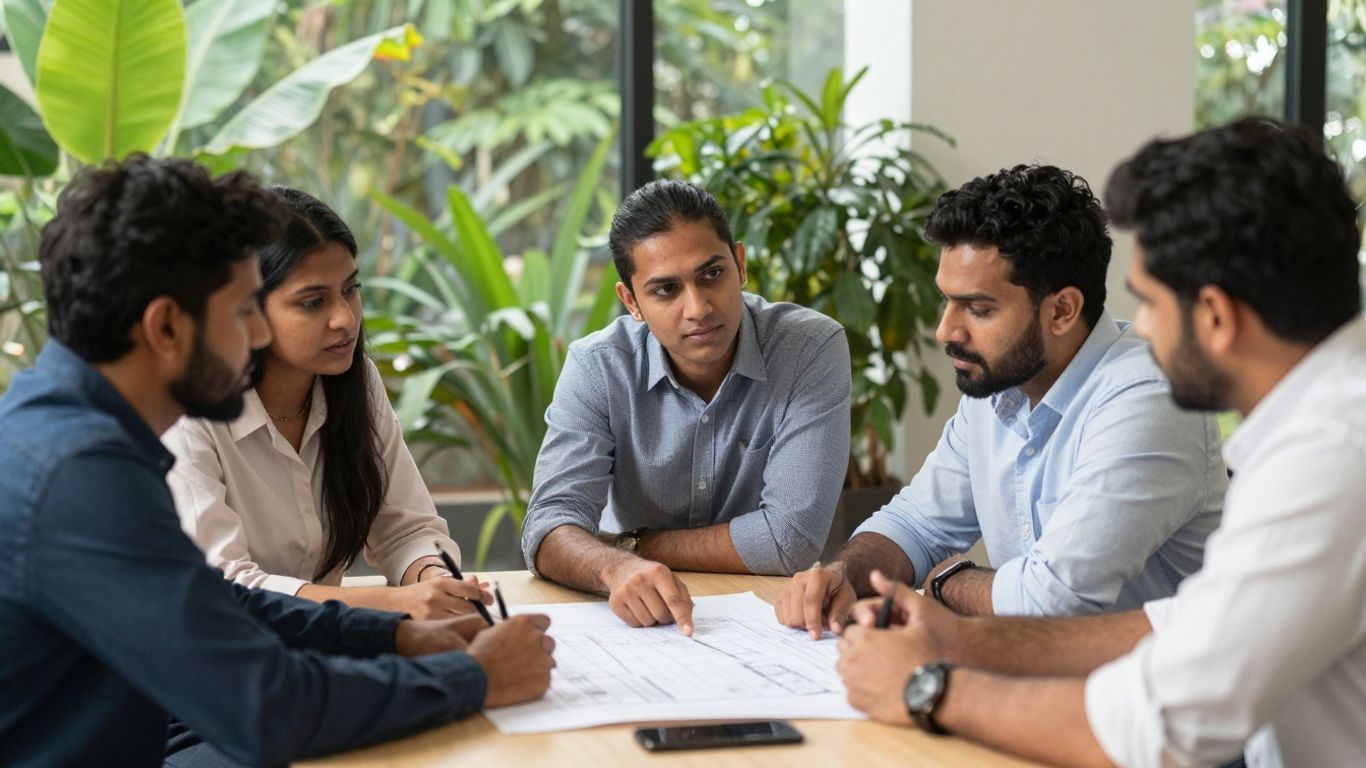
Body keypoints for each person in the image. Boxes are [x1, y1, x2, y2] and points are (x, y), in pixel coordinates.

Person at [835, 118, 1366, 768]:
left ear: (1218, 317)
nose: (1137, 325)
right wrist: (962, 640)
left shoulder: (1332, 456)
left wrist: (927, 686)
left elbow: (1160, 726)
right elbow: (1186, 625)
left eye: (1148, 302)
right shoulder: (1318, 422)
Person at [0, 155, 554, 767]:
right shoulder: (81, 475)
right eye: (243, 313)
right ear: (165, 327)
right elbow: (267, 705)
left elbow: (214, 601)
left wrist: (396, 635)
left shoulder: (61, 424)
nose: (260, 338)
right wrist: (474, 679)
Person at [777, 164, 1226, 634]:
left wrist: (946, 581)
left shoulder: (1150, 397)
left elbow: (1050, 601)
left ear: (1062, 311)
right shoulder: (997, 388)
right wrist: (840, 574)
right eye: (947, 301)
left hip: (1150, 694)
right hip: (1039, 676)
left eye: (978, 308)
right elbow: (917, 524)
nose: (946, 330)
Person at [521, 179, 852, 635]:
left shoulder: (810, 348)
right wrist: (613, 569)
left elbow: (789, 540)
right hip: (641, 624)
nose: (697, 308)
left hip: (775, 627)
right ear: (631, 301)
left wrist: (627, 546)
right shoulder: (598, 366)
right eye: (665, 290)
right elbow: (548, 526)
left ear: (740, 263)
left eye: (712, 275)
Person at [163, 187, 488, 620]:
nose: (346, 318)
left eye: (350, 289)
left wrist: (433, 578)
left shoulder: (355, 383)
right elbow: (225, 586)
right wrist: (397, 604)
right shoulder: (189, 410)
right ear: (246, 309)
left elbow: (406, 528)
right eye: (313, 302)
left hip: (319, 648)